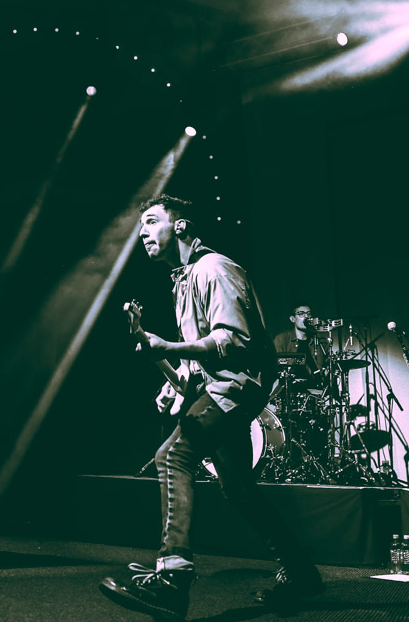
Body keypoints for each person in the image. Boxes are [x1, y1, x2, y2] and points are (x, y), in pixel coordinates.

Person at [99, 195, 323, 620]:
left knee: (173, 456)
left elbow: (230, 342)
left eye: (150, 222)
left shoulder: (214, 268)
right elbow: (190, 374)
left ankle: (172, 580)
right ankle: (301, 573)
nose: (142, 232)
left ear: (180, 227)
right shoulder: (183, 281)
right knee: (237, 487)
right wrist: (161, 359)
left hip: (238, 386)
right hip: (221, 386)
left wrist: (170, 345)